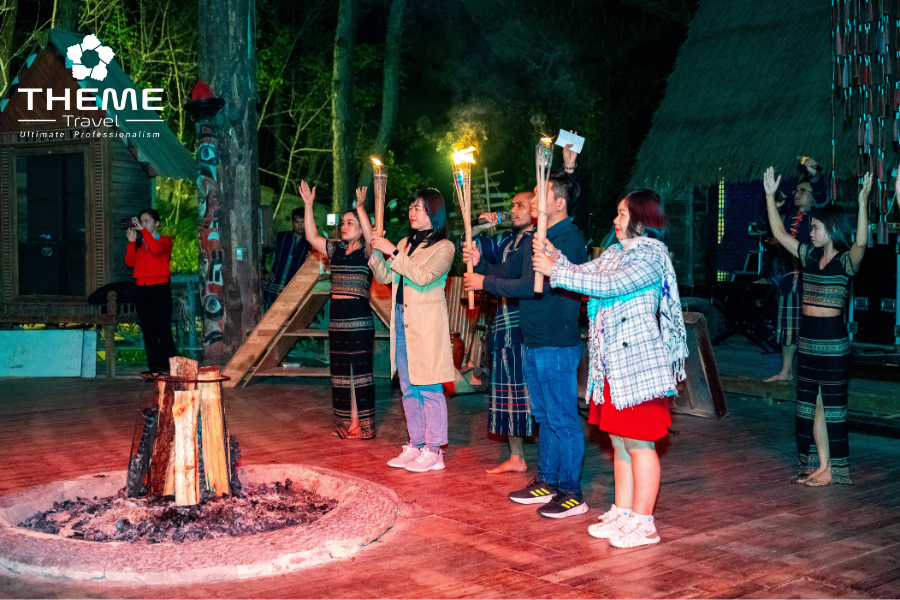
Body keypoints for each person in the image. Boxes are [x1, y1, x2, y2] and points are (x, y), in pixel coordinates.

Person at [533, 189, 687, 548]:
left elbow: (611, 284)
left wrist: (556, 270)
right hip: (612, 367)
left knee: (640, 444)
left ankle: (644, 523)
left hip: (639, 367)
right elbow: (582, 273)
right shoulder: (616, 252)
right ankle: (623, 511)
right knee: (619, 442)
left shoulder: (651, 254)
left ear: (642, 218)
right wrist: (556, 257)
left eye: (622, 213)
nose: (616, 221)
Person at [463, 172, 588, 519]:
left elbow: (535, 286)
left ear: (559, 203)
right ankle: (547, 480)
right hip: (532, 340)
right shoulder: (536, 236)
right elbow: (509, 271)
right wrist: (480, 261)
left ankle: (572, 492)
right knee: (544, 417)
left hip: (556, 343)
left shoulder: (568, 239)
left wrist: (484, 282)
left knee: (562, 419)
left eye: (539, 193)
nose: (532, 200)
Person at [762, 166, 872, 486]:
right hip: (808, 339)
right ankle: (821, 465)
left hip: (833, 342)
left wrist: (862, 202)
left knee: (832, 406)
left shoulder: (845, 262)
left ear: (832, 229)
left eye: (816, 227)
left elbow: (861, 242)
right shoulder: (809, 256)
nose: (810, 232)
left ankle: (832, 469)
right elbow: (780, 232)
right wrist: (769, 197)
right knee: (811, 406)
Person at [370, 189, 456, 472]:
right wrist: (376, 251)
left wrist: (393, 252)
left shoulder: (444, 247)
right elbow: (385, 276)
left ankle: (435, 451)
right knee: (408, 387)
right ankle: (416, 444)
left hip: (426, 324)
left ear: (434, 212)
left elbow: (422, 277)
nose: (412, 211)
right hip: (401, 318)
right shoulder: (405, 243)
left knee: (429, 386)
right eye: (411, 206)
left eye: (418, 207)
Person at [464, 192, 536, 474]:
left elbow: (518, 282)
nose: (513, 209)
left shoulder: (539, 239)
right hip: (503, 324)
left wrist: (484, 277)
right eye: (511, 205)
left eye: (520, 205)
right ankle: (517, 457)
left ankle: (550, 463)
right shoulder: (505, 240)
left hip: (527, 325)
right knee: (508, 393)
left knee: (530, 394)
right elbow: (468, 246)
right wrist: (479, 231)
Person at [299, 182, 375, 439]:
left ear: (361, 228)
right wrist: (308, 205)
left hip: (359, 320)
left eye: (350, 223)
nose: (344, 226)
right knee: (342, 373)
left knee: (359, 373)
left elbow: (370, 236)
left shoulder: (368, 251)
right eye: (343, 222)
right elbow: (311, 236)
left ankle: (361, 425)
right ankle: (347, 423)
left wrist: (361, 208)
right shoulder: (337, 249)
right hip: (338, 320)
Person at [758, 158, 828, 382]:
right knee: (788, 326)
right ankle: (786, 371)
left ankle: (816, 373)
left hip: (814, 281)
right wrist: (772, 205)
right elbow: (763, 227)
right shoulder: (787, 218)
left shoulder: (819, 217)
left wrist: (814, 175)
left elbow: (824, 198)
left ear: (813, 196)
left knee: (814, 327)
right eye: (796, 190)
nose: (797, 194)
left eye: (803, 191)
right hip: (790, 281)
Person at [124, 209, 177, 374]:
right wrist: (131, 242)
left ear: (157, 223)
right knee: (148, 330)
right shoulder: (140, 244)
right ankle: (154, 368)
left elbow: (155, 249)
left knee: (163, 329)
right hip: (142, 289)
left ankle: (168, 368)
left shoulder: (165, 241)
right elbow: (129, 262)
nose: (143, 224)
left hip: (159, 288)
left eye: (147, 221)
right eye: (141, 221)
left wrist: (144, 232)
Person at [263, 207, 311, 311]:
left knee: (289, 319)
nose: (300, 226)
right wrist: (264, 272)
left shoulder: (308, 244)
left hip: (292, 292)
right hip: (273, 289)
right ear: (292, 222)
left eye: (303, 222)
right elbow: (262, 253)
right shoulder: (280, 237)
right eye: (297, 222)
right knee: (267, 318)